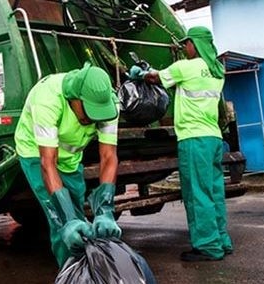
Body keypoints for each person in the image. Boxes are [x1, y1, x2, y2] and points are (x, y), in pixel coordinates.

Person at [129, 26, 233, 261]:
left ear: (195, 44)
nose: (183, 47)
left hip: (193, 139)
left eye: (186, 43)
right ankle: (222, 241)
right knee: (214, 192)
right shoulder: (217, 70)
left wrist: (140, 73)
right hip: (213, 137)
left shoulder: (186, 67)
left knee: (197, 194)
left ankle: (208, 246)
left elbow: (156, 77)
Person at [14, 62, 121, 267]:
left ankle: (87, 271)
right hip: (37, 154)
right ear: (74, 98)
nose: (92, 119)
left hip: (71, 158)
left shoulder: (110, 105)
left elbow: (108, 156)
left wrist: (105, 209)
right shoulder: (47, 99)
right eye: (88, 111)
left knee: (78, 217)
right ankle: (73, 273)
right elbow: (48, 163)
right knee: (63, 222)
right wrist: (67, 217)